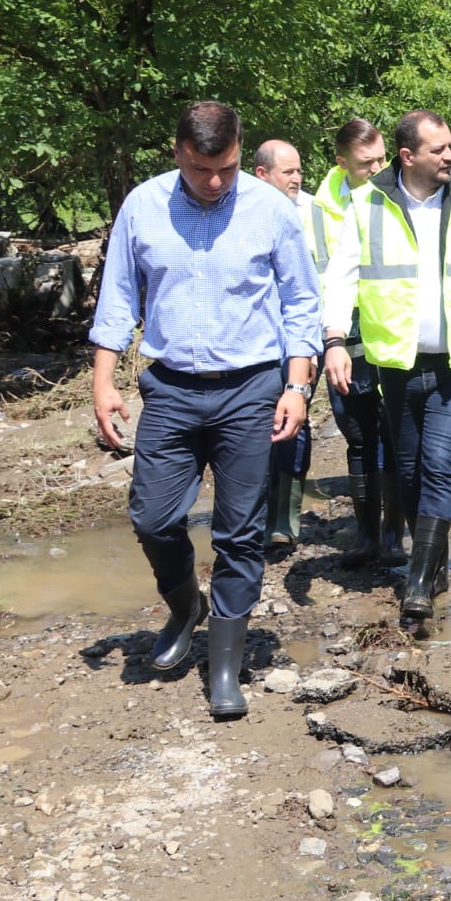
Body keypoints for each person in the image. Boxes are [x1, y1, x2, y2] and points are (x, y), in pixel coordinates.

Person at [91, 101, 321, 719]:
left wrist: (297, 386)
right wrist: (104, 382)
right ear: (177, 153)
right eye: (199, 169)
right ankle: (184, 605)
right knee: (152, 517)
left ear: (241, 152)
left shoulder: (273, 210)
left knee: (239, 530)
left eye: (224, 168)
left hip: (252, 388)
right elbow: (117, 299)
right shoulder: (143, 205)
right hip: (169, 387)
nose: (213, 182)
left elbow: (302, 303)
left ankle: (225, 665)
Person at [321, 109, 451, 632]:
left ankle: (416, 580)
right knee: (408, 472)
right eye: (439, 149)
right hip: (398, 365)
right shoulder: (368, 202)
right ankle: (433, 564)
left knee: (437, 463)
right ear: (408, 157)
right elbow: (342, 278)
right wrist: (335, 340)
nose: (450, 156)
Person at [305, 119, 404, 566]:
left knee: (395, 434)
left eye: (382, 158)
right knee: (359, 436)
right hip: (341, 340)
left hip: (391, 334)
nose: (379, 168)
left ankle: (394, 536)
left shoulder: (396, 194)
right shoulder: (316, 211)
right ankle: (366, 535)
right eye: (367, 163)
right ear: (341, 162)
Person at [252, 139, 316, 549]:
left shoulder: (312, 213)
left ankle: (284, 520)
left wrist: (312, 347)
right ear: (262, 174)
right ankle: (252, 514)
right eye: (287, 172)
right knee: (250, 429)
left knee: (295, 423)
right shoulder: (240, 212)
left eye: (298, 171)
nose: (297, 178)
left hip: (295, 342)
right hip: (254, 344)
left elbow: (318, 281)